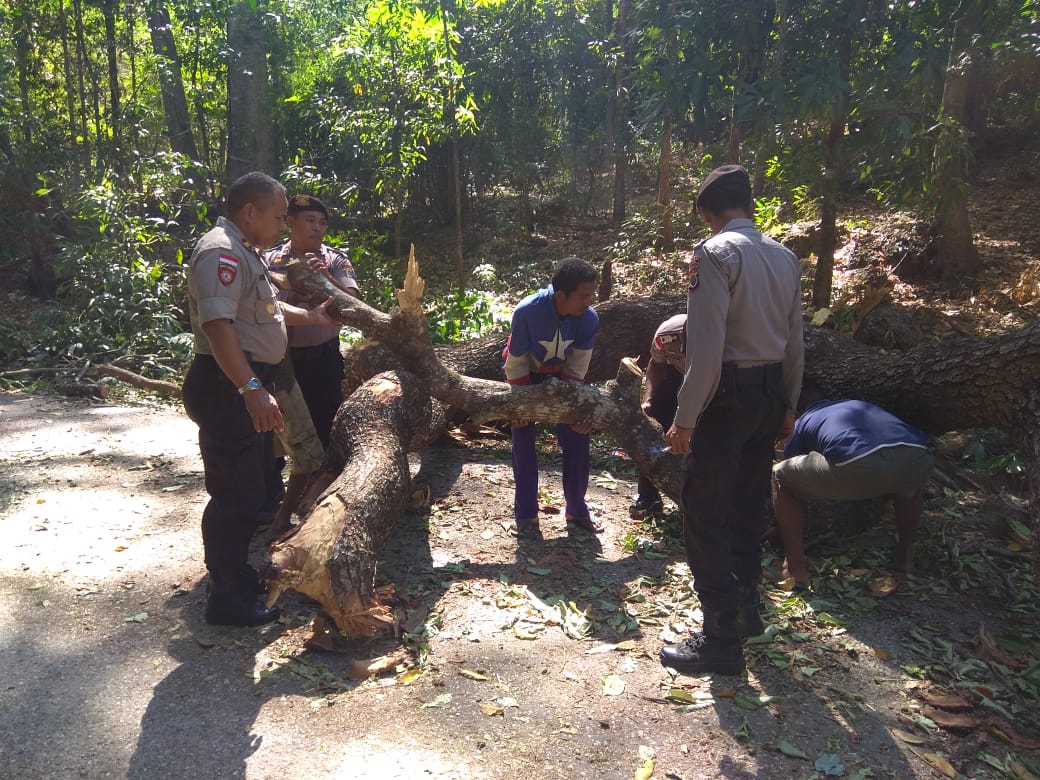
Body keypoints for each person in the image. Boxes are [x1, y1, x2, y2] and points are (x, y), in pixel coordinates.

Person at [659, 164, 804, 676]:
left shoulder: (713, 254)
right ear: (747, 204)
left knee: (703, 512)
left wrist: (685, 418)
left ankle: (720, 640)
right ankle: (747, 609)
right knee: (747, 504)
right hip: (767, 394)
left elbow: (706, 347)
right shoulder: (786, 257)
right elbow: (794, 341)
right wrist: (789, 404)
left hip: (726, 398)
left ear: (707, 213)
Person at [181, 171, 336, 627]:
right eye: (276, 215)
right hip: (228, 385)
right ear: (249, 211)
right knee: (236, 493)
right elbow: (219, 326)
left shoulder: (244, 251)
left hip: (246, 381)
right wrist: (250, 389)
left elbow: (265, 308)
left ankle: (234, 577)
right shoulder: (221, 252)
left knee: (248, 487)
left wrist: (311, 315)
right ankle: (226, 598)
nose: (282, 223)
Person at [772, 396, 934, 586]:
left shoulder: (803, 421)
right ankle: (904, 557)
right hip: (919, 456)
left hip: (859, 462)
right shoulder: (861, 405)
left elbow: (795, 468)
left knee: (780, 475)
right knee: (910, 489)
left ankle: (793, 568)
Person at [503, 257, 603, 540]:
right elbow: (517, 361)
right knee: (522, 436)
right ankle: (525, 516)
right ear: (561, 296)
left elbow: (577, 366)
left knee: (577, 434)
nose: (588, 302)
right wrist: (520, 404)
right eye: (583, 296)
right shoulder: (527, 312)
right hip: (525, 375)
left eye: (590, 296)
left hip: (563, 378)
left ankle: (576, 509)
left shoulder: (589, 319)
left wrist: (573, 405)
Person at [266, 195, 360, 449]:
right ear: (290, 222)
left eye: (322, 222)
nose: (317, 227)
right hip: (279, 359)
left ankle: (325, 483)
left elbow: (352, 305)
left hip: (322, 360)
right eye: (310, 220)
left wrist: (327, 278)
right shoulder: (268, 261)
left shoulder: (335, 261)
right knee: (276, 435)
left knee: (326, 429)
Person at [630, 313, 687, 519]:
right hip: (674, 377)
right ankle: (648, 496)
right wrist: (649, 399)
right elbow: (656, 364)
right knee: (653, 427)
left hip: (714, 383)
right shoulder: (667, 334)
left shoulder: (717, 336)